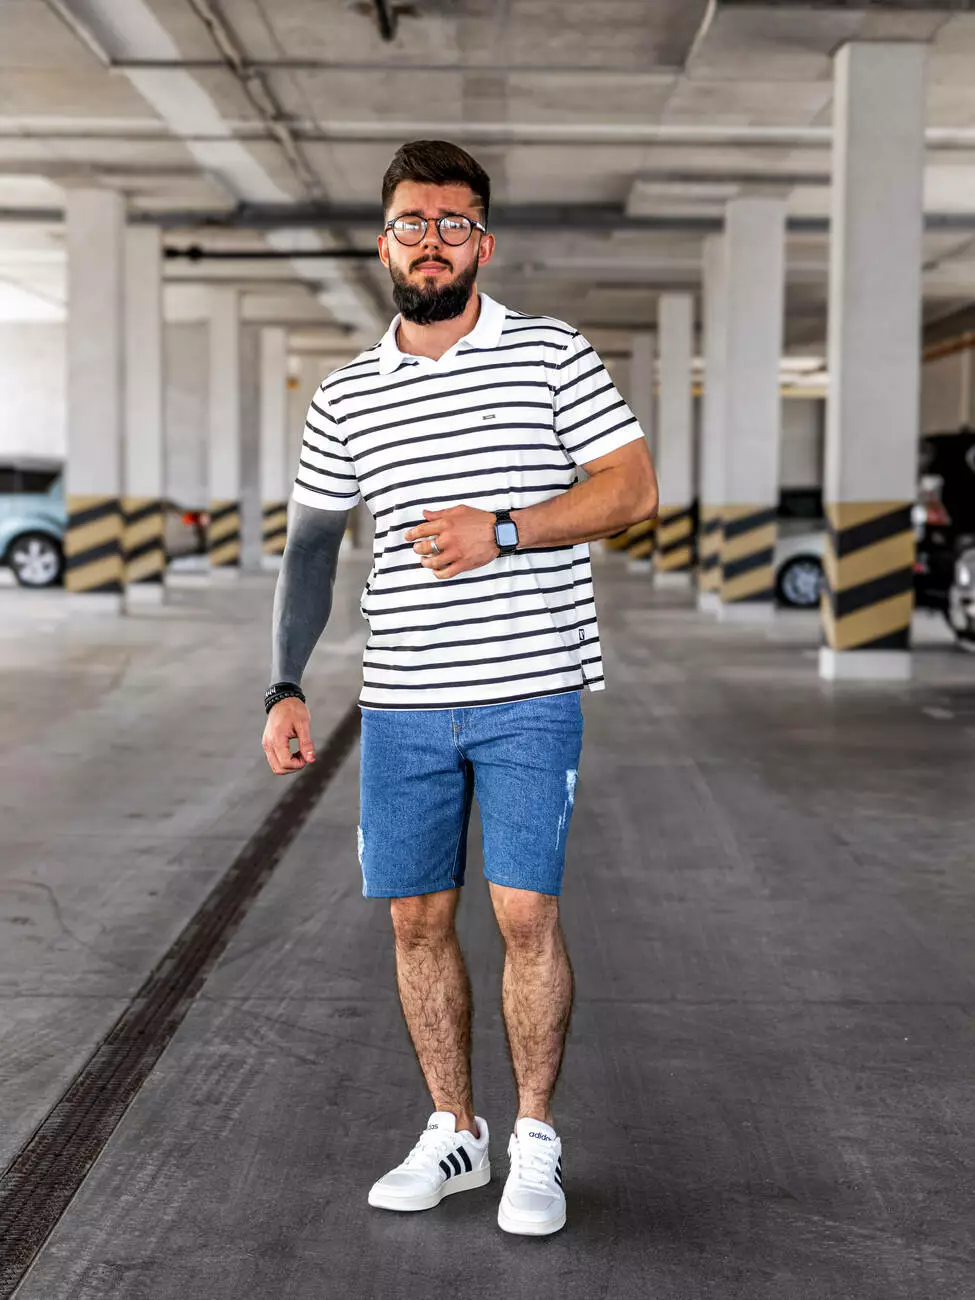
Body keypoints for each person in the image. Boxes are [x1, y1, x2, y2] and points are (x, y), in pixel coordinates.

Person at [262, 139, 657, 1237]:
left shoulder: (550, 353)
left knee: (525, 913)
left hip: (530, 686)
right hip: (400, 701)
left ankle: (535, 1140)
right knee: (415, 920)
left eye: (453, 223)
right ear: (383, 241)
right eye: (411, 223)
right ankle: (456, 1129)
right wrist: (284, 683)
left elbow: (631, 488)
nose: (430, 242)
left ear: (483, 240)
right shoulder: (346, 395)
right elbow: (310, 549)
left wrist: (507, 530)